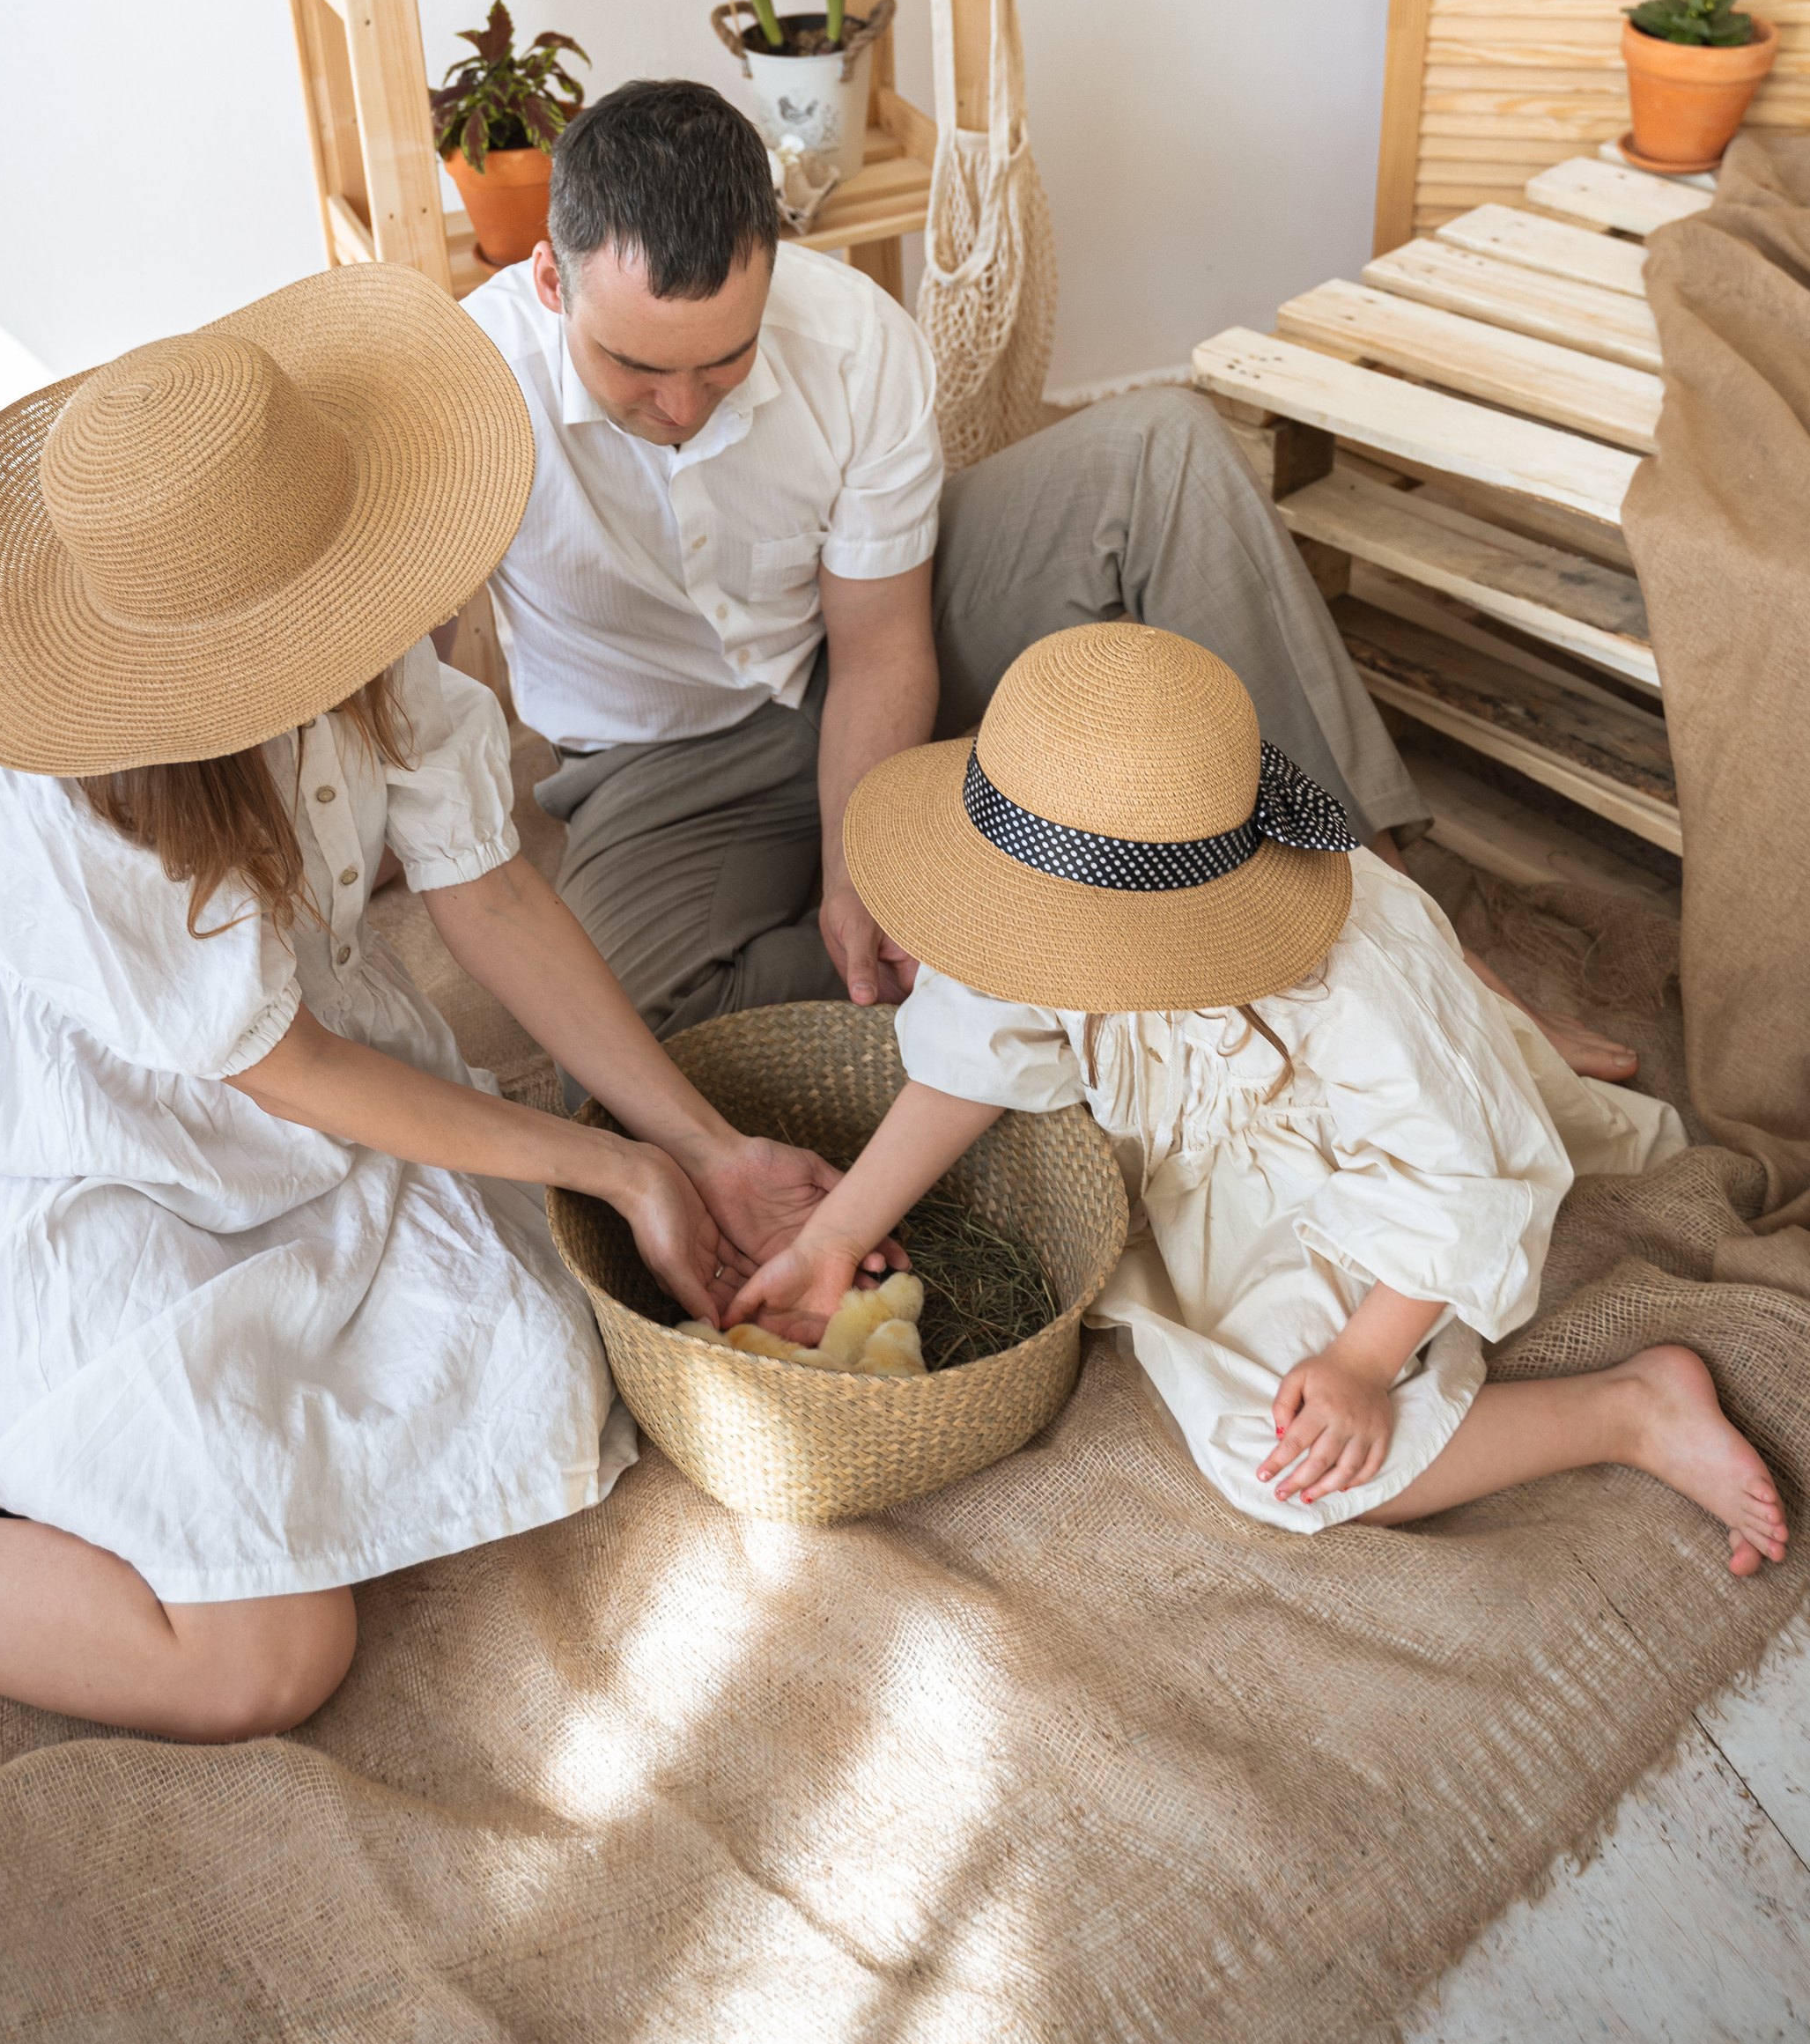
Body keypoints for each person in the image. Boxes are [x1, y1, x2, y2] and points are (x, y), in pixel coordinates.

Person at [0, 269, 868, 1738]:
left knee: (540, 1361)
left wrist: (697, 1145)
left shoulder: (348, 598)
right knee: (264, 1654)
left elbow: (486, 889)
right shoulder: (57, 784)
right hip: (86, 1135)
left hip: (270, 1079)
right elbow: (281, 1062)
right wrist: (610, 1161)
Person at [466, 78, 1637, 1084]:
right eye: (637, 368)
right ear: (550, 281)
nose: (680, 407)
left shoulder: (852, 338)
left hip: (869, 655)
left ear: (771, 275)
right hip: (658, 763)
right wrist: (873, 893)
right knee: (630, 1039)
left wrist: (857, 853)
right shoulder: (464, 393)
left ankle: (1399, 928)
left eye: (724, 360)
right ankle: (1076, 904)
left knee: (1161, 448)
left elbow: (879, 643)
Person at [726, 624, 1786, 1578]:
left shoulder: (1356, 979)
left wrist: (1361, 1363)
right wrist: (836, 1234)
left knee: (1281, 1454)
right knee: (1237, 1380)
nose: (1026, 958)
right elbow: (974, 1053)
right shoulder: (1043, 886)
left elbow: (1454, 1174)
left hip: (1347, 1188)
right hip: (1202, 1175)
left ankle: (1629, 1410)